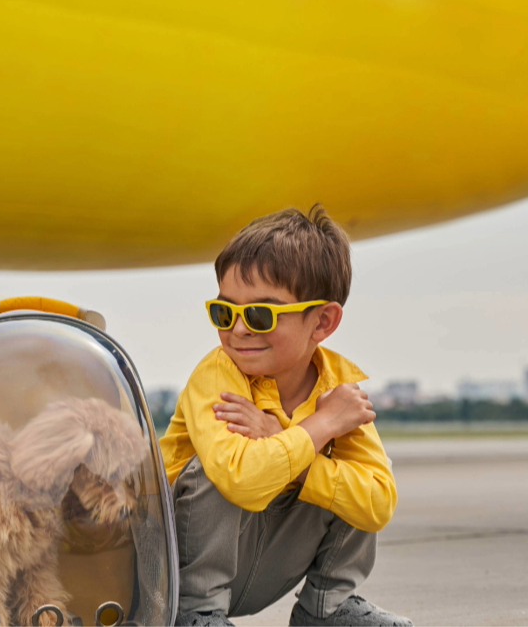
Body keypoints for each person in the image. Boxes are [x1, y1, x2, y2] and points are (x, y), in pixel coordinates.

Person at [159, 207, 411, 627]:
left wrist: (294, 446)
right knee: (213, 471)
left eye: (261, 315)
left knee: (353, 479)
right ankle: (195, 614)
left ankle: (326, 609)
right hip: (177, 568)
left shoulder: (339, 391)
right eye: (225, 313)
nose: (238, 330)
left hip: (266, 562)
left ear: (323, 321)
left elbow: (378, 504)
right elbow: (239, 482)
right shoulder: (217, 374)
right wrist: (318, 428)